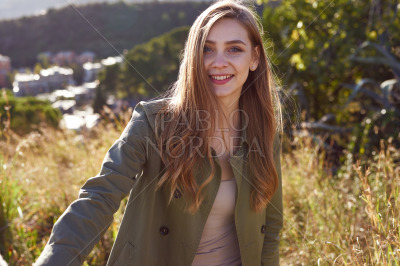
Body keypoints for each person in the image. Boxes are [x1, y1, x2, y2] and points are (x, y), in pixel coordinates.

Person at [35, 0, 283, 265]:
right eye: (207, 49)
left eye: (234, 49)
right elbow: (99, 197)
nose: (218, 62)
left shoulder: (264, 129)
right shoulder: (153, 123)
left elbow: (270, 226)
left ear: (254, 58)